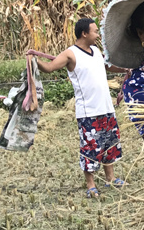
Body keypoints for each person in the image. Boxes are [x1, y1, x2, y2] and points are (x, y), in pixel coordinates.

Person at [32, 18, 124, 197]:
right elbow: (49, 68)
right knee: (90, 148)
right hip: (88, 112)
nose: (98, 35)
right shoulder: (70, 54)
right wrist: (33, 61)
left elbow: (107, 66)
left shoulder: (96, 51)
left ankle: (110, 178)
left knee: (109, 144)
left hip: (106, 108)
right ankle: (91, 185)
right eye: (95, 31)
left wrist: (125, 69)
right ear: (84, 33)